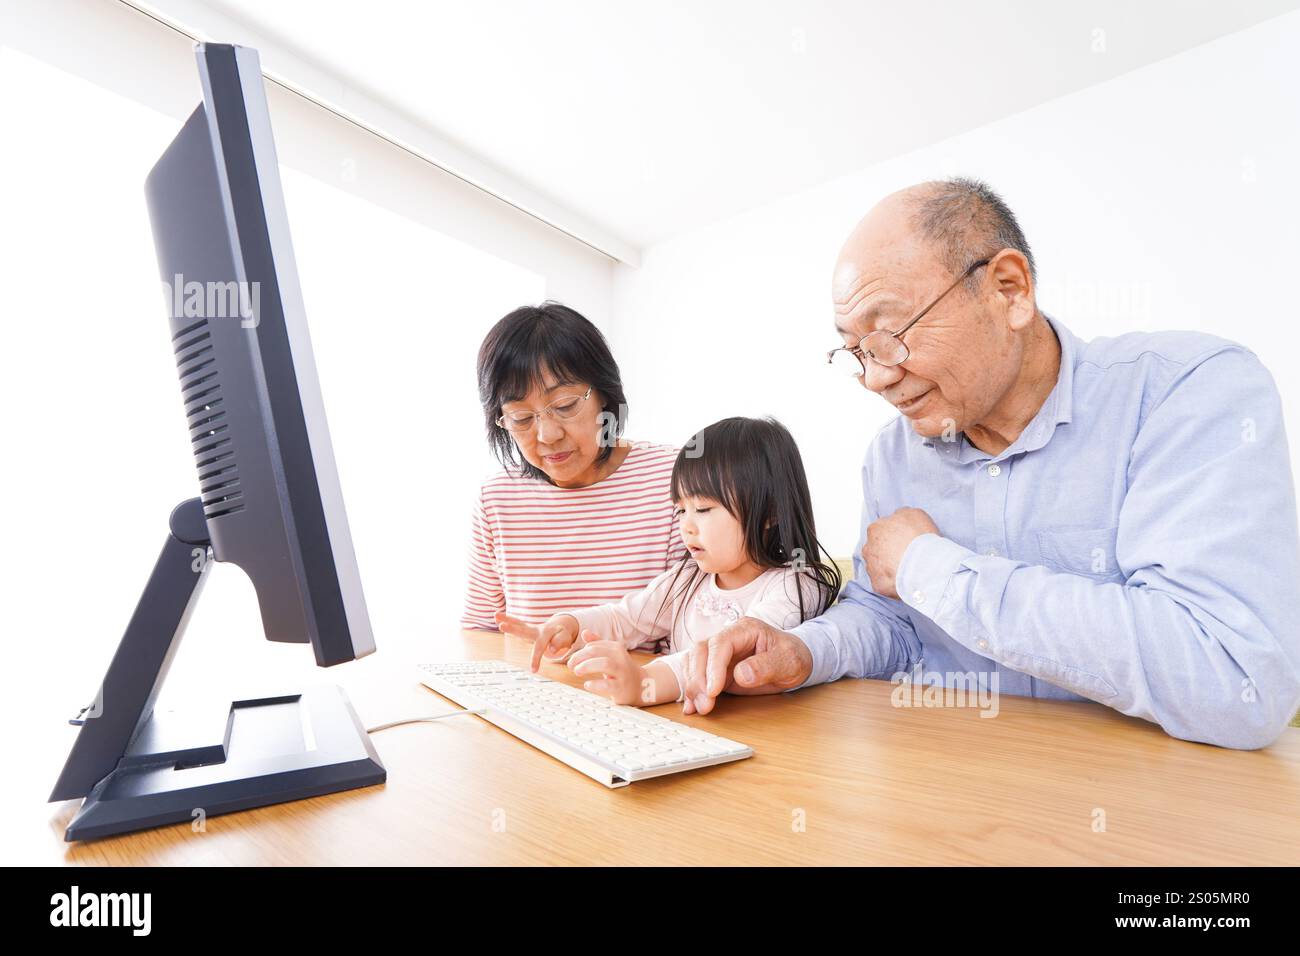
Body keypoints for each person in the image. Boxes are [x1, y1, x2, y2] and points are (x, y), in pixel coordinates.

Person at [678, 178, 1300, 750]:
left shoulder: (1186, 392)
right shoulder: (892, 455)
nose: (874, 377)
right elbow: (888, 622)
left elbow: (1233, 678)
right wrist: (802, 653)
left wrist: (933, 568)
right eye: (856, 352)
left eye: (890, 332)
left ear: (1010, 289)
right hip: (945, 783)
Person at [496, 417, 841, 706]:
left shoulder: (797, 583)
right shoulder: (687, 577)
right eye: (680, 509)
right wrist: (570, 624)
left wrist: (645, 682)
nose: (686, 526)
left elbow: (719, 658)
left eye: (703, 510)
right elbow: (626, 619)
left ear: (770, 514)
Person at [462, 302, 683, 632]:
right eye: (520, 418)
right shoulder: (497, 498)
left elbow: (689, 639)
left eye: (565, 406)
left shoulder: (672, 478)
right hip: (528, 683)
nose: (547, 435)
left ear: (603, 395)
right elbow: (480, 631)